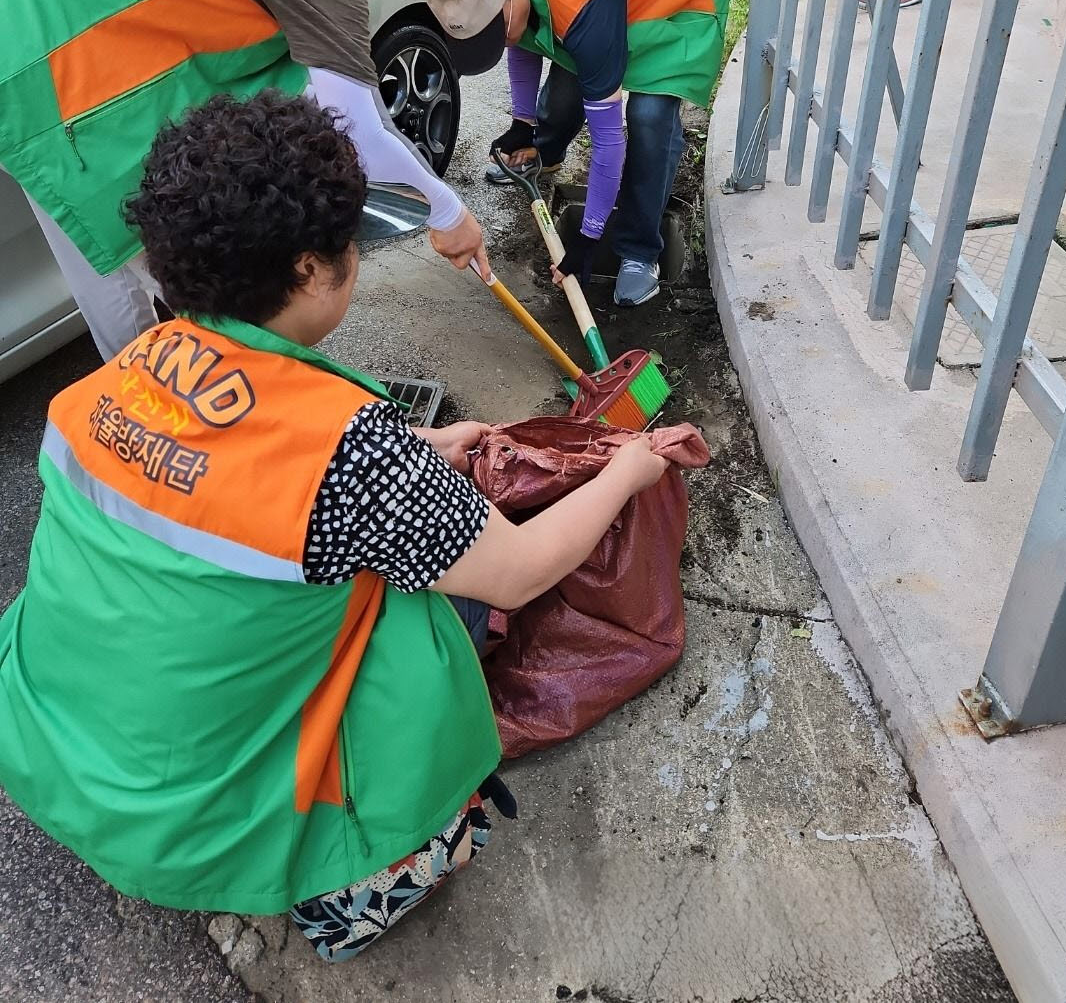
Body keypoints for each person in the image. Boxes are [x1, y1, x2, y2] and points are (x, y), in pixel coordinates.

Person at [0, 90, 670, 963]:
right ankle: (352, 878)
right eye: (353, 245)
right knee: (443, 613)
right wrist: (627, 467)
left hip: (51, 743)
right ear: (311, 270)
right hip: (193, 820)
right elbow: (517, 571)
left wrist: (421, 445)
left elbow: (229, 462)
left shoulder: (122, 374)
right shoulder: (350, 452)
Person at [0, 0, 490, 364]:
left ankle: (147, 410)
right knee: (202, 282)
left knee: (113, 250)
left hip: (35, 7)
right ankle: (210, 414)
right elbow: (357, 128)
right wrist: (449, 213)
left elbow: (337, 100)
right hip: (36, 48)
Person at [423, 0, 736, 306]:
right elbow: (523, 33)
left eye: (495, 29)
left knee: (648, 117)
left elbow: (609, 140)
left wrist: (589, 239)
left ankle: (639, 251)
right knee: (570, 64)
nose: (499, 38)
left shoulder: (583, 0)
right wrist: (522, 122)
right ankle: (542, 153)